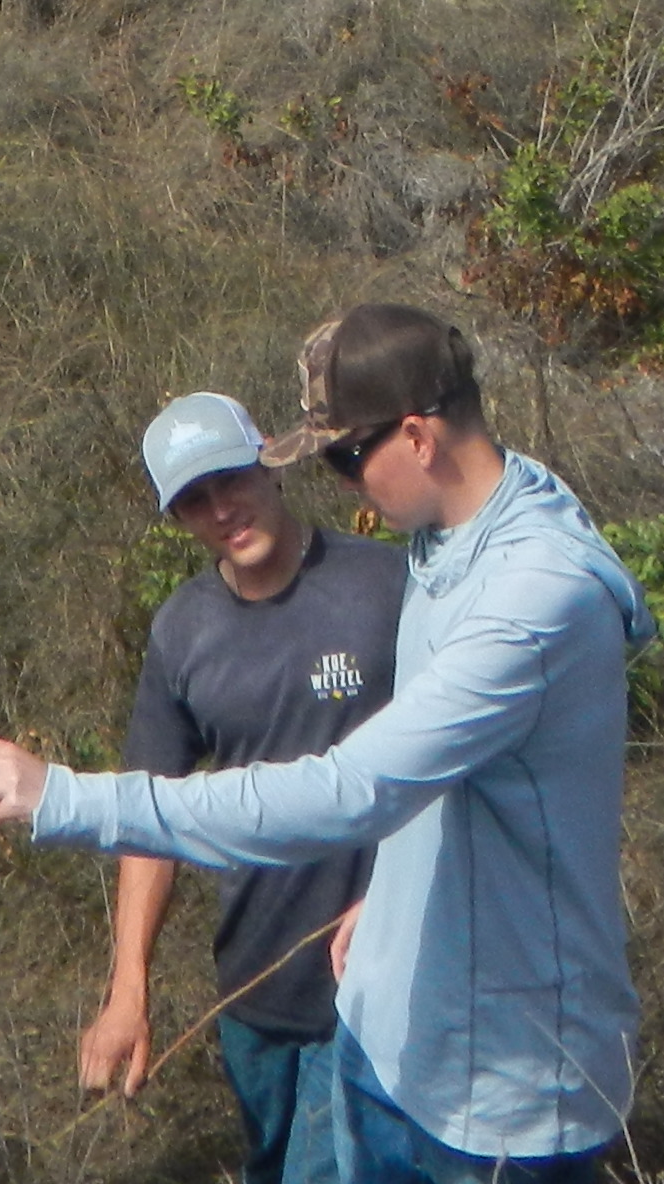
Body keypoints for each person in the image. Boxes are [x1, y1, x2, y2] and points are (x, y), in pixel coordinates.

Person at [0, 309, 654, 1184]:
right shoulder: (444, 542)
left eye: (345, 458)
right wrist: (395, 897)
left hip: (498, 1093)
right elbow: (443, 783)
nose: (344, 485)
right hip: (390, 1033)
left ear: (418, 438)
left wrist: (65, 796)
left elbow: (353, 790)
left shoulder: (534, 600)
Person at [80, 391, 409, 1184]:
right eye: (195, 500)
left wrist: (402, 890)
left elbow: (465, 760)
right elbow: (149, 815)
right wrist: (129, 990)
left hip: (374, 977)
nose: (223, 509)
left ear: (271, 462)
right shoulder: (183, 631)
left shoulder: (388, 587)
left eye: (232, 479)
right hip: (254, 990)